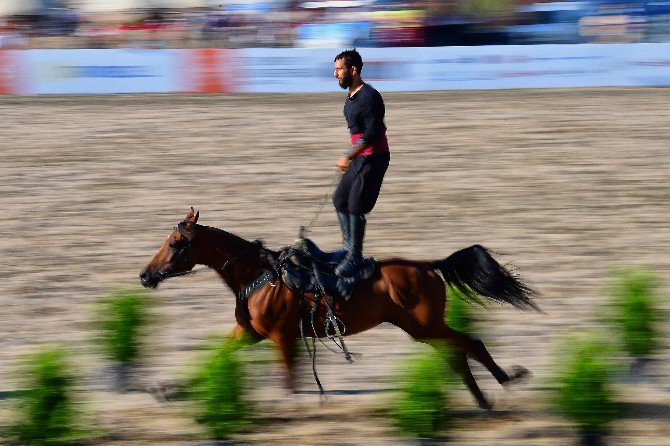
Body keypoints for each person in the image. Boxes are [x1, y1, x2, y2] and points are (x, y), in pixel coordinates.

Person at [332, 49, 390, 278]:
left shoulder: (369, 96)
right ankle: (347, 248)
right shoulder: (351, 97)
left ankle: (355, 257)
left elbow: (374, 133)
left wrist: (349, 155)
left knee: (356, 205)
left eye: (339, 69)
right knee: (339, 199)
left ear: (353, 70)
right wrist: (351, 154)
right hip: (360, 156)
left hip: (374, 157)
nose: (335, 73)